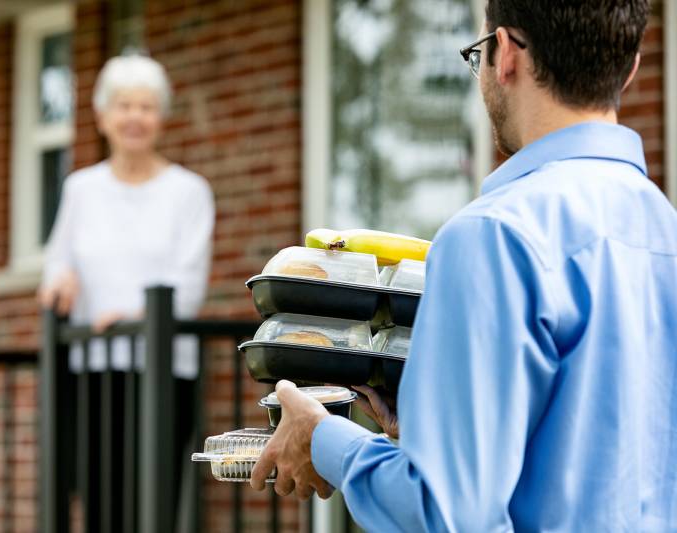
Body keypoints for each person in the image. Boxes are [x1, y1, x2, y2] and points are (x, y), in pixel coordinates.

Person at [251, 1, 677, 531]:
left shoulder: (492, 235)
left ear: (505, 54)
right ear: (632, 66)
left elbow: (449, 513)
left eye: (478, 55)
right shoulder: (665, 230)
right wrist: (436, 431)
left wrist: (324, 440)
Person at [38, 54, 214, 521]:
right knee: (99, 505)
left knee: (149, 505)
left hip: (161, 371)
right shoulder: (81, 188)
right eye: (123, 105)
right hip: (92, 369)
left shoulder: (189, 192)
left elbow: (189, 288)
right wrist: (57, 278)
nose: (135, 117)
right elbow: (57, 261)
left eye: (147, 106)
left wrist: (131, 317)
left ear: (162, 118)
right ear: (101, 117)